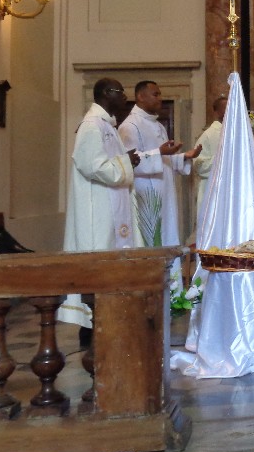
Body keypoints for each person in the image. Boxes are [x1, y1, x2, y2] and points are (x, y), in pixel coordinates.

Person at [59, 78, 142, 337]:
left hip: (110, 206)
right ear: (107, 93)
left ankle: (111, 319)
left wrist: (126, 162)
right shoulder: (91, 126)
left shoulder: (107, 125)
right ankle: (92, 327)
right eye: (121, 92)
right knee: (98, 260)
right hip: (97, 210)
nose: (125, 97)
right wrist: (125, 162)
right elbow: (92, 166)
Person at [119, 81, 201, 248]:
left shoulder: (158, 125)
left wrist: (184, 156)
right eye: (155, 94)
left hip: (165, 190)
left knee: (168, 233)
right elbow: (129, 162)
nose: (160, 98)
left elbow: (164, 161)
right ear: (140, 96)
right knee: (152, 237)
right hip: (146, 192)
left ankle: (169, 266)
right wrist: (159, 152)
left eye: (160, 94)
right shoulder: (129, 126)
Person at [190, 95, 227, 241]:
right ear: (216, 112)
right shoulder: (208, 135)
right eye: (225, 108)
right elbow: (198, 165)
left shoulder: (237, 132)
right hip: (213, 189)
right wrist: (221, 158)